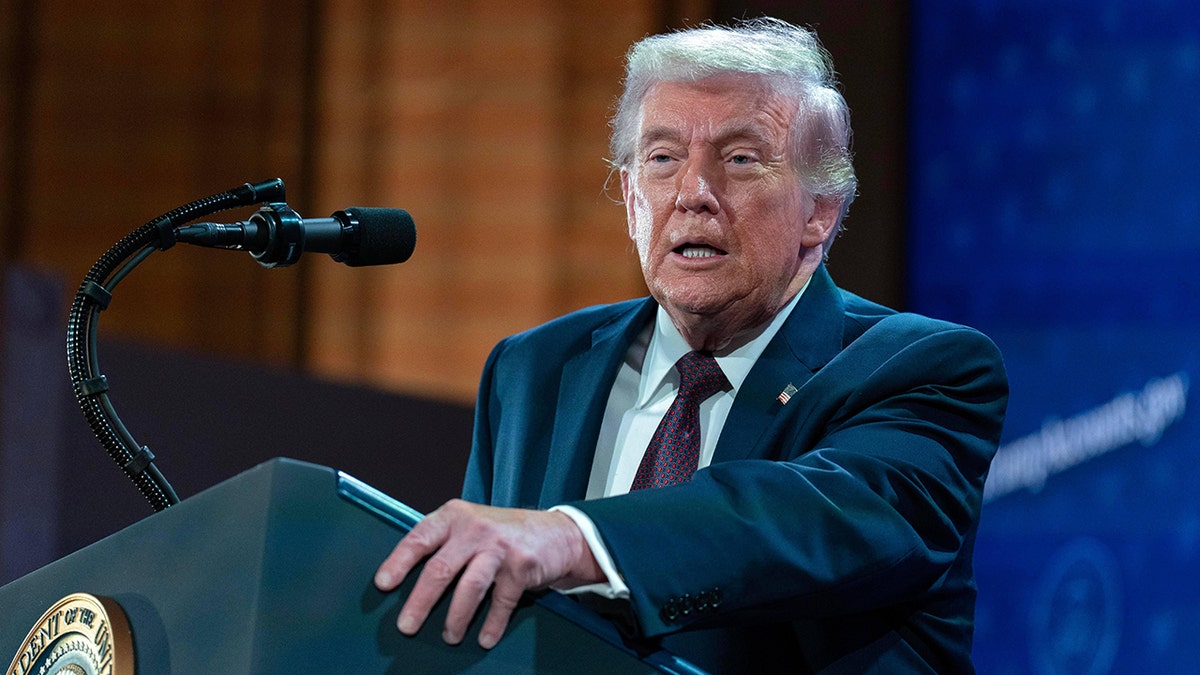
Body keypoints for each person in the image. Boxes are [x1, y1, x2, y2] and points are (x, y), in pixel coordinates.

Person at [375, 17, 1008, 673]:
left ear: (819, 208)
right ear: (628, 195)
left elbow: (798, 522)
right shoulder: (533, 369)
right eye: (662, 159)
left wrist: (575, 537)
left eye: (739, 159)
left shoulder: (926, 371)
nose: (693, 194)